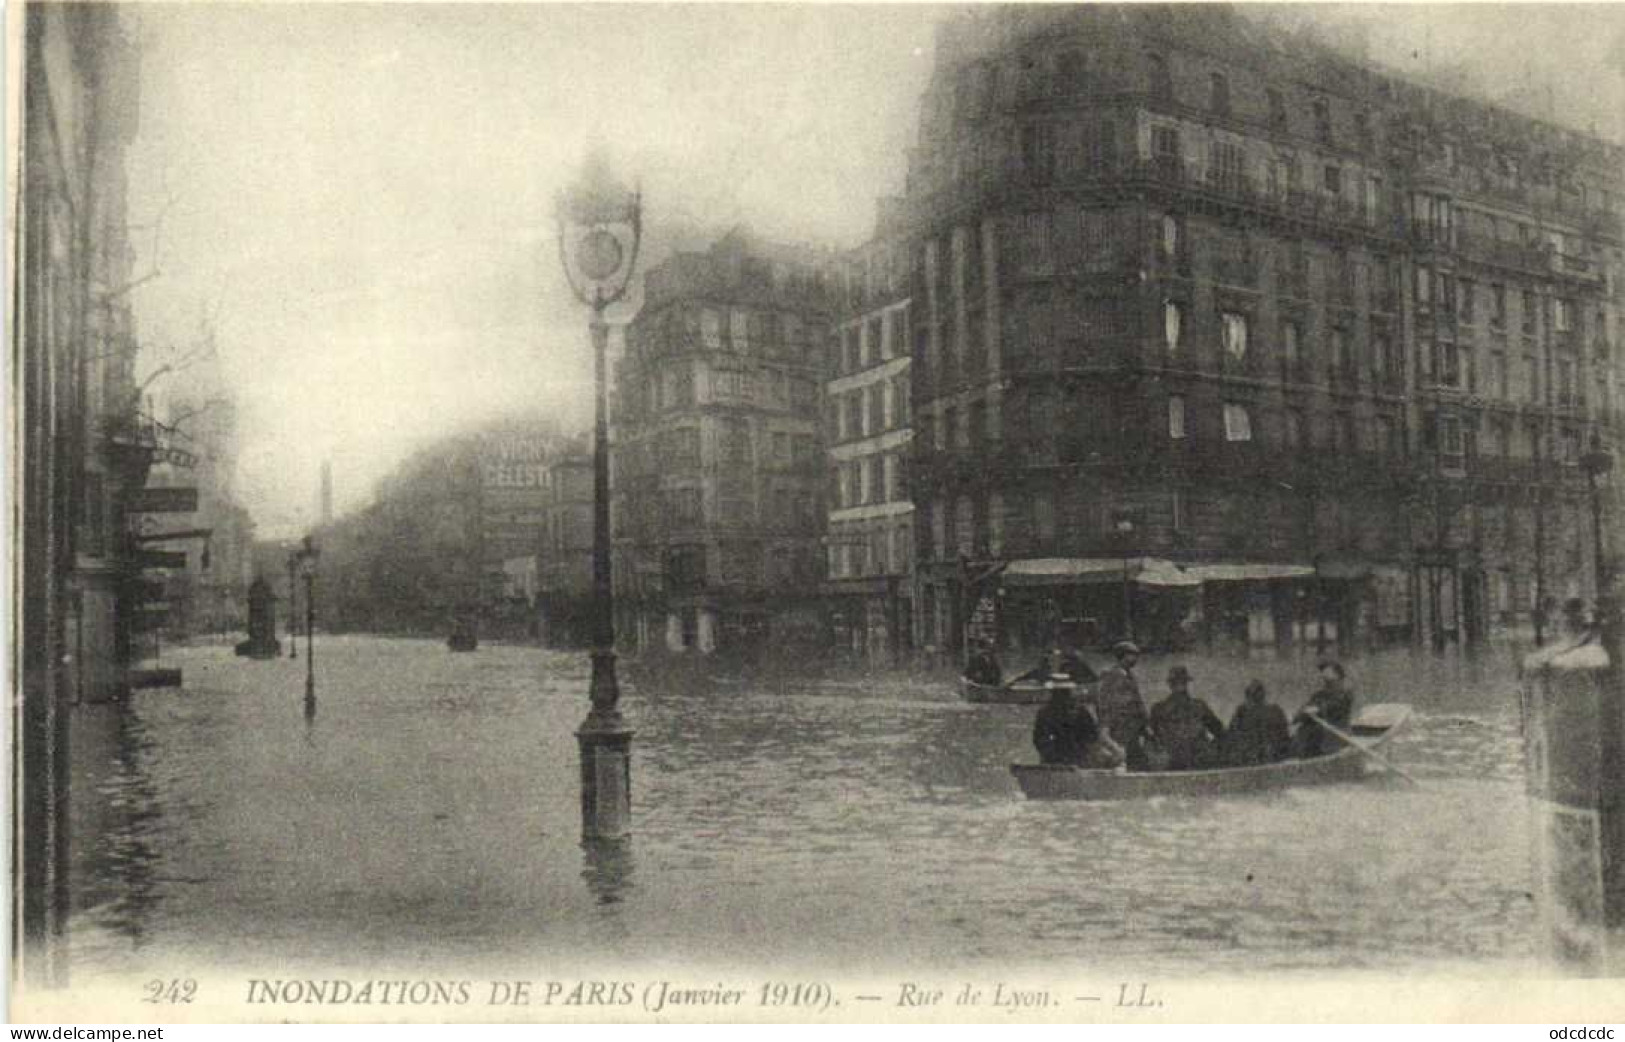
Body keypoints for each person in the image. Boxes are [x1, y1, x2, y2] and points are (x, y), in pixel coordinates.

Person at [1147, 665, 1225, 771]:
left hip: (1173, 764)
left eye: (1180, 682)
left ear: (1170, 685)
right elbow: (1220, 732)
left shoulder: (1158, 708)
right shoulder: (1199, 706)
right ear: (1187, 683)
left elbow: (1151, 738)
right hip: (1198, 762)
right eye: (1178, 683)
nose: (1179, 686)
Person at [1032, 681, 1122, 769]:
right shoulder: (1079, 711)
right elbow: (1092, 738)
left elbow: (1092, 738)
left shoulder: (1080, 712)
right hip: (1067, 760)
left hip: (1071, 760)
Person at [1096, 640, 1150, 770]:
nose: (1136, 658)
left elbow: (1137, 700)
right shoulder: (1114, 675)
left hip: (1132, 724)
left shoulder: (1130, 675)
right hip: (1120, 724)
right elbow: (1106, 700)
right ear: (1123, 656)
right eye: (1132, 655)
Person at [1291, 660, 1355, 759]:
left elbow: (1336, 706)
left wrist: (1318, 709)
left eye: (1327, 672)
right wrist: (1300, 715)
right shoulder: (1319, 694)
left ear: (1337, 675)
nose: (1322, 675)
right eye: (1323, 672)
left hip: (1336, 735)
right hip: (1318, 736)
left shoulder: (1346, 693)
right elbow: (1302, 712)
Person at [1222, 679, 1291, 766]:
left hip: (1255, 756)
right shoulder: (1275, 710)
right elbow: (1285, 737)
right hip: (1270, 756)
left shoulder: (1243, 711)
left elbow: (1231, 736)